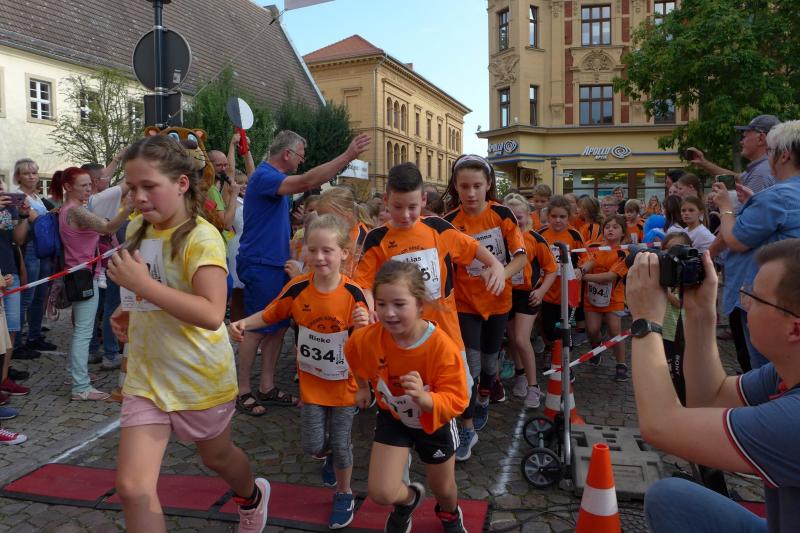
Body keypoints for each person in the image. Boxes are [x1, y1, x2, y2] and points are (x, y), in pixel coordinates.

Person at [107, 135, 269, 533]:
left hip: (198, 377)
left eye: (149, 186)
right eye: (132, 187)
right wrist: (127, 308)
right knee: (132, 487)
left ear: (181, 184)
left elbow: (212, 313)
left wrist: (143, 288)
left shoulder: (202, 236)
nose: (138, 197)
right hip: (147, 378)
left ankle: (252, 496)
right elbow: (149, 288)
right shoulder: (136, 228)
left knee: (217, 458)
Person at [626, 239, 800, 533]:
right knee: (670, 498)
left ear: (794, 328)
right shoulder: (786, 371)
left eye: (754, 297)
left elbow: (659, 426)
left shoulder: (794, 420)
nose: (744, 304)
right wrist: (700, 314)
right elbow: (711, 398)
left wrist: (646, 321)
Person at [230, 214, 367, 529]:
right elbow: (270, 314)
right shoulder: (297, 288)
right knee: (312, 444)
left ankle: (344, 492)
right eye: (313, 250)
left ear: (344, 253)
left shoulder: (354, 294)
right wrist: (242, 323)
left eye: (327, 251)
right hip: (312, 384)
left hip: (344, 385)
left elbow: (368, 344)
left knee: (342, 443)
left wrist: (366, 329)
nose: (319, 257)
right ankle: (329, 453)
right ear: (304, 251)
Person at [235, 130, 369, 415]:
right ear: (287, 154)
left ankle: (267, 386)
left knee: (278, 327)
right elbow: (308, 180)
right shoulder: (266, 176)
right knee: (256, 329)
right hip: (261, 262)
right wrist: (348, 155)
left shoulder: (268, 178)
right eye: (300, 155)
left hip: (275, 262)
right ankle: (242, 390)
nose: (302, 160)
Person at [345, 261, 469, 533]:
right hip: (394, 418)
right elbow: (353, 351)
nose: (389, 313)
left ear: (420, 305)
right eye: (381, 304)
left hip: (433, 423)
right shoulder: (371, 337)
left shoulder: (441, 347)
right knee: (381, 492)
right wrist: (363, 387)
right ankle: (409, 500)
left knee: (443, 488)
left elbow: (458, 398)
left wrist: (426, 399)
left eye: (399, 304)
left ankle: (450, 514)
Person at [443, 154, 526, 454]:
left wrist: (500, 272)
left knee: (491, 365)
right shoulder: (449, 222)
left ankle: (484, 397)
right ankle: (468, 422)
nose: (471, 193)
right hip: (465, 304)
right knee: (471, 365)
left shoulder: (502, 214)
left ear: (488, 184)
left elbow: (520, 257)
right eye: (464, 186)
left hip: (498, 301)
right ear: (456, 186)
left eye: (477, 186)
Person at [710, 119, 800, 370]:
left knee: (767, 370)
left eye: (770, 151)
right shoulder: (781, 195)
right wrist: (755, 202)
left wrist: (725, 206)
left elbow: (735, 240)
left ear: (784, 155)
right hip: (790, 293)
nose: (768, 158)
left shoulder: (776, 197)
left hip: (766, 297)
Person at [50, 167, 132, 401]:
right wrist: (128, 208)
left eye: (90, 184)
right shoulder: (76, 211)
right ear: (68, 187)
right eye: (84, 185)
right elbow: (108, 228)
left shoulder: (69, 208)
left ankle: (75, 374)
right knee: (84, 332)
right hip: (83, 275)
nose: (89, 189)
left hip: (81, 273)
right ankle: (81, 387)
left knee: (82, 329)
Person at [502, 194, 557, 407]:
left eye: (520, 217)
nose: (516, 222)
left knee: (521, 338)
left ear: (528, 216)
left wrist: (541, 291)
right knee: (513, 338)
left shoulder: (535, 239)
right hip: (506, 293)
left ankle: (533, 386)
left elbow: (551, 269)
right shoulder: (501, 237)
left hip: (528, 294)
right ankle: (520, 375)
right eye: (511, 218)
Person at [11, 158, 57, 359]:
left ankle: (34, 336)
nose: (32, 176)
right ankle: (17, 343)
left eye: (34, 173)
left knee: (40, 295)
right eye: (26, 173)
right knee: (26, 297)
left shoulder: (37, 196)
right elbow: (37, 221)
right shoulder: (19, 196)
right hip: (29, 248)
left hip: (42, 248)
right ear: (18, 176)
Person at [579, 215, 630, 381]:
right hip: (591, 296)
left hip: (614, 297)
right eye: (607, 227)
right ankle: (596, 348)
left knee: (615, 330)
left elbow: (611, 276)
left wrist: (583, 277)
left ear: (623, 232)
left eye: (615, 227)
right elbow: (587, 262)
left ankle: (621, 364)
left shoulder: (624, 252)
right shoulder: (592, 246)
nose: (610, 230)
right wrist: (582, 270)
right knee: (592, 330)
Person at [538, 196, 585, 367]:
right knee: (548, 328)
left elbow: (587, 257)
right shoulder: (541, 234)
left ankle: (565, 365)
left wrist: (582, 269)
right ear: (548, 216)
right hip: (548, 291)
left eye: (562, 217)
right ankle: (550, 349)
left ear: (569, 217)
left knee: (564, 329)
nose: (558, 220)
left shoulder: (574, 235)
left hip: (568, 293)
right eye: (554, 216)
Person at [688, 114, 780, 195]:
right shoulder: (765, 167)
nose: (741, 142)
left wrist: (723, 204)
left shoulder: (760, 174)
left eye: (744, 137)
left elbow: (751, 209)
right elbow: (737, 179)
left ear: (761, 139)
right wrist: (703, 163)